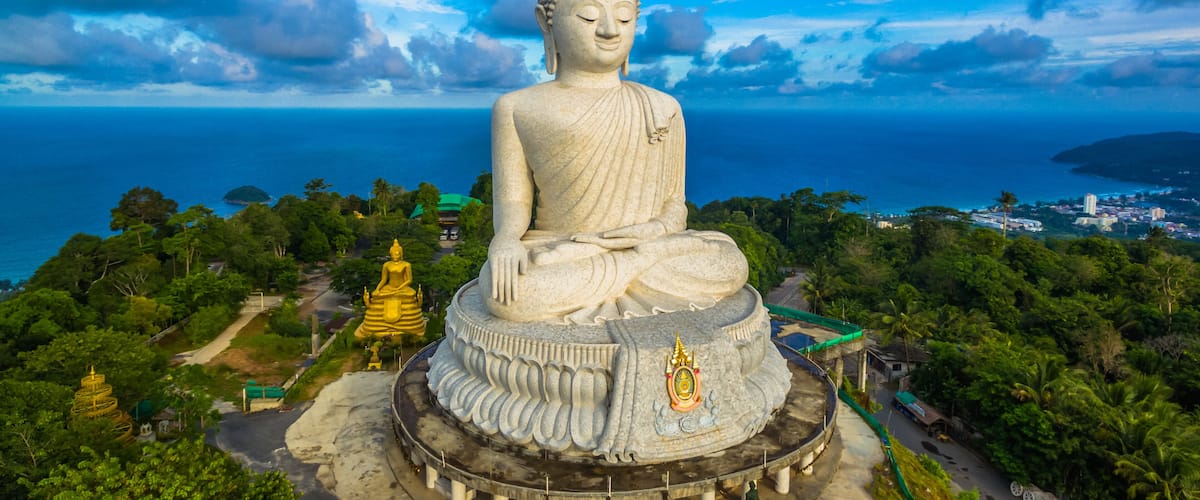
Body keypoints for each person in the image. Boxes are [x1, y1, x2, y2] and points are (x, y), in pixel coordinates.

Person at [479, 0, 748, 324]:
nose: (609, 30)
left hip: (646, 244)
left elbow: (675, 204)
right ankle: (636, 267)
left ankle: (636, 263)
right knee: (509, 292)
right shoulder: (516, 107)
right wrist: (506, 239)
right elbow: (514, 200)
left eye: (623, 17)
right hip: (563, 247)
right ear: (546, 22)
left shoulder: (663, 107)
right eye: (589, 15)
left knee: (729, 261)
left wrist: (651, 235)